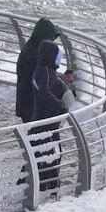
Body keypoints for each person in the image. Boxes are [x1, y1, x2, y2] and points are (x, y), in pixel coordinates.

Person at [27, 36, 76, 193]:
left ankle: (46, 186)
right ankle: (48, 188)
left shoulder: (44, 70)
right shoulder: (47, 73)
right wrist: (60, 103)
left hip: (43, 122)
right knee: (49, 155)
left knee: (48, 155)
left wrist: (61, 81)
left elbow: (47, 88)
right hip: (46, 123)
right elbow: (45, 92)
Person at [15, 18, 60, 121]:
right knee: (36, 134)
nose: (52, 41)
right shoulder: (35, 54)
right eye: (51, 38)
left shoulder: (31, 48)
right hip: (31, 104)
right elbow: (40, 82)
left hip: (26, 102)